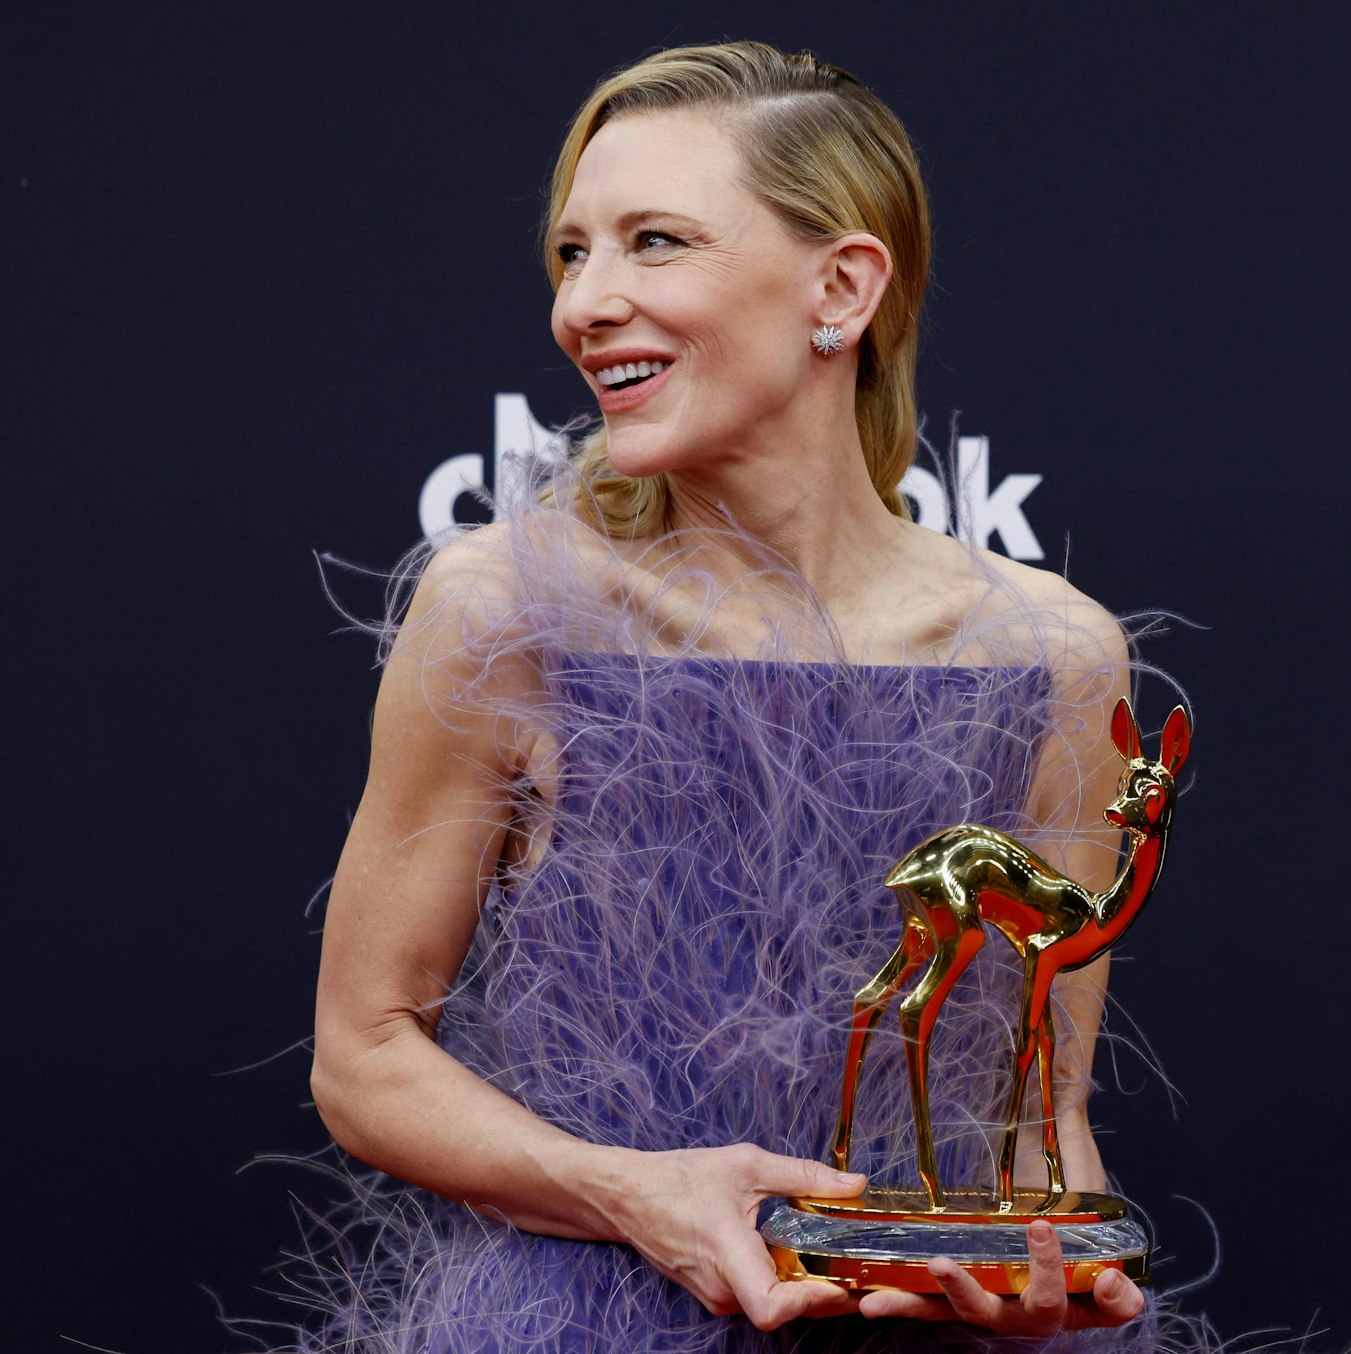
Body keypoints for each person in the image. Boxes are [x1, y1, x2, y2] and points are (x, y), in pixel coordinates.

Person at [289, 41, 1199, 1352]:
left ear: (841, 285)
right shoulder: (503, 610)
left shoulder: (1055, 656)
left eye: (654, 242)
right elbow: (364, 1054)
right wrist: (639, 1192)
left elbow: (1040, 1109)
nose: (585, 304)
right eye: (570, 253)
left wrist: (1050, 1279)